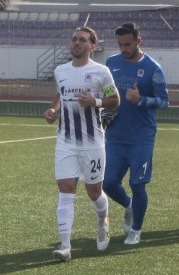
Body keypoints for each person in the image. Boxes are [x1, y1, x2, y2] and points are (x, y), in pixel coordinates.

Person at [44, 27, 120, 262]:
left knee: (93, 192)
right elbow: (61, 94)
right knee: (66, 190)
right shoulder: (60, 71)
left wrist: (95, 101)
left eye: (83, 40)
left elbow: (115, 100)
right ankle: (65, 247)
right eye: (74, 39)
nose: (77, 43)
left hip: (92, 142)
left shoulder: (101, 72)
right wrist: (53, 110)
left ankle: (103, 218)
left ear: (92, 46)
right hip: (65, 141)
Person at [103, 22, 169, 246]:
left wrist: (140, 100)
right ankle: (130, 206)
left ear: (139, 41)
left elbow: (164, 101)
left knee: (138, 184)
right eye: (120, 44)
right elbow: (107, 93)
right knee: (107, 183)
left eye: (128, 44)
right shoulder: (111, 63)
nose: (124, 49)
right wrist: (104, 110)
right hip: (115, 135)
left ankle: (136, 230)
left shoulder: (153, 68)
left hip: (141, 137)